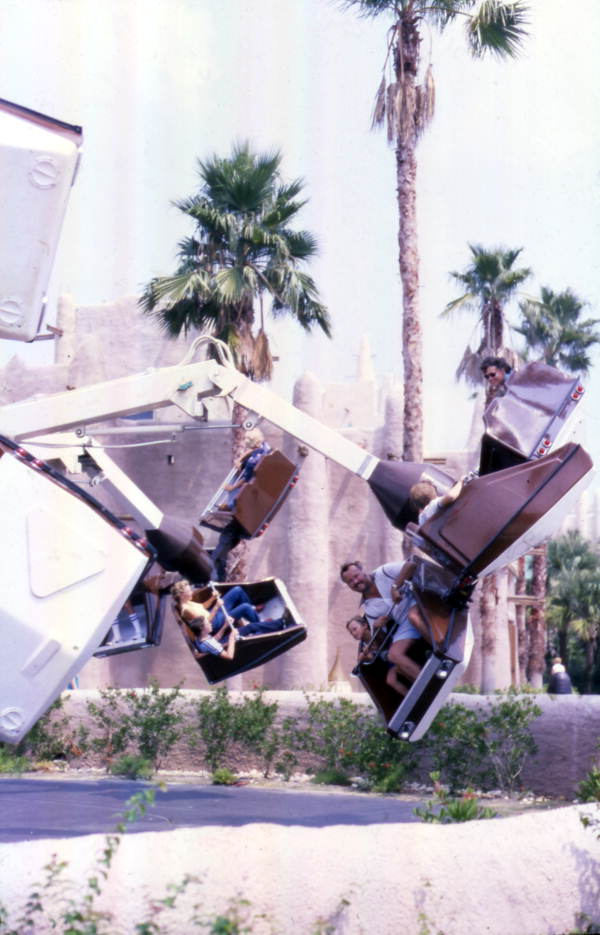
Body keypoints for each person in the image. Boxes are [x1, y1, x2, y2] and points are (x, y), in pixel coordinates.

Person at [340, 560, 426, 691]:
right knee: (394, 655)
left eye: (356, 576)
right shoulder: (369, 610)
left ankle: (442, 651)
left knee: (414, 617)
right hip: (404, 622)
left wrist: (395, 587)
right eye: (350, 582)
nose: (355, 582)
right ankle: (426, 687)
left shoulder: (383, 572)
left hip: (418, 603)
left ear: (362, 571)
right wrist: (375, 626)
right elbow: (380, 643)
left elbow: (411, 565)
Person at [218, 428, 271, 511]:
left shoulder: (252, 461)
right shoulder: (265, 446)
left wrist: (232, 487)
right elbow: (252, 449)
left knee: (234, 486)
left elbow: (245, 479)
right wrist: (239, 459)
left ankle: (230, 506)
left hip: (252, 481)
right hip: (261, 474)